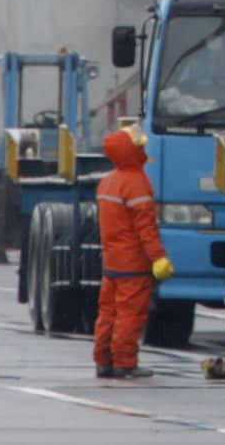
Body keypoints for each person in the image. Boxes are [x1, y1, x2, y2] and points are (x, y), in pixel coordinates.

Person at [92, 125, 171, 380]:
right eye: (139, 146)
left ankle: (103, 361)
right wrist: (158, 257)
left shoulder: (108, 181)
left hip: (112, 261)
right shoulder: (136, 183)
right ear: (131, 151)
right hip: (133, 264)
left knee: (107, 313)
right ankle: (125, 363)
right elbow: (145, 228)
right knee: (130, 313)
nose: (143, 149)